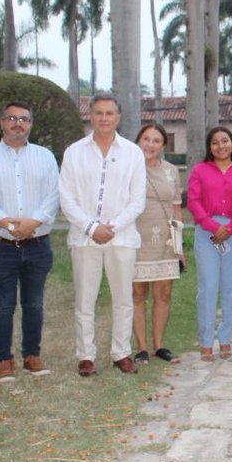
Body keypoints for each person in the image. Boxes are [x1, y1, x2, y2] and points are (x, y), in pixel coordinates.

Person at [58, 93, 147, 377]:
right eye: (99, 113)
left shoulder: (133, 152)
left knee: (123, 298)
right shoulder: (74, 152)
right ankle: (85, 354)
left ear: (118, 117)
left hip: (122, 238)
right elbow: (66, 197)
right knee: (85, 299)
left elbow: (137, 199)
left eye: (110, 113)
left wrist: (112, 227)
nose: (104, 118)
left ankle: (121, 352)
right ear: (91, 116)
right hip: (84, 238)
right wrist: (91, 227)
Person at [0, 101, 60, 382]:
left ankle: (32, 355)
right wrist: (9, 224)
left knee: (34, 303)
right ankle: (3, 359)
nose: (18, 123)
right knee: (3, 305)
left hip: (37, 244)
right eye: (12, 118)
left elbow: (54, 195)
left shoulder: (45, 156)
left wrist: (33, 223)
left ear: (31, 124)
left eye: (24, 119)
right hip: (0, 244)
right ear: (2, 122)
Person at [186, 126, 232, 361]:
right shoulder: (200, 170)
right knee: (208, 286)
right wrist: (213, 227)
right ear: (209, 147)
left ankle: (225, 338)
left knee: (231, 287)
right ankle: (205, 340)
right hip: (206, 232)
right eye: (215, 142)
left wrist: (230, 228)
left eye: (225, 141)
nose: (220, 146)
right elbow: (193, 201)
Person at [131, 123, 185, 363]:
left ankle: (159, 345)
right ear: (138, 140)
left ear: (163, 145)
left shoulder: (171, 171)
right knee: (137, 293)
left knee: (163, 293)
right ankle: (141, 347)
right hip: (135, 238)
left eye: (156, 141)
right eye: (146, 139)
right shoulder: (127, 168)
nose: (150, 145)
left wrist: (179, 245)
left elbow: (176, 208)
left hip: (165, 239)